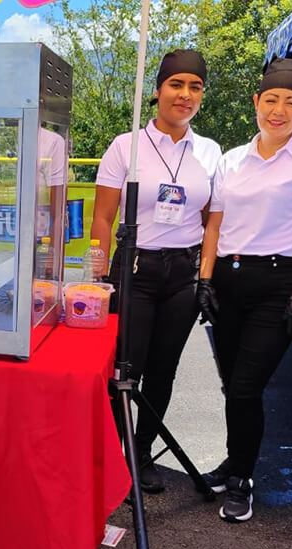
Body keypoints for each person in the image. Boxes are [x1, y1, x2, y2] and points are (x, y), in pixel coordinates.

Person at [197, 58, 292, 522]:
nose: (279, 110)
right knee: (231, 385)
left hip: (279, 284)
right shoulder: (231, 160)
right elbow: (214, 225)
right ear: (256, 103)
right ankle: (233, 460)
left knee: (246, 386)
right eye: (271, 100)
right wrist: (204, 277)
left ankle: (242, 478)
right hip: (228, 279)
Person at [92, 49, 222, 494]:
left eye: (195, 87)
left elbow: (211, 223)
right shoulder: (125, 146)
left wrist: (206, 277)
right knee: (126, 367)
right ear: (158, 90)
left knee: (165, 369)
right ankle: (111, 452)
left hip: (182, 273)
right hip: (134, 267)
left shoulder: (209, 151)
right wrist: (97, 276)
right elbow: (103, 220)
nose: (185, 95)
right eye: (176, 84)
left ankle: (142, 451)